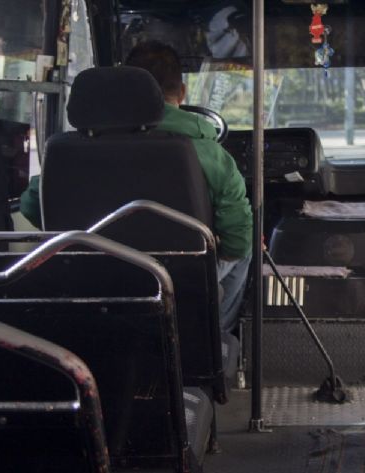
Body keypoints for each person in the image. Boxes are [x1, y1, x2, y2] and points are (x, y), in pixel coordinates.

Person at [21, 40, 253, 333]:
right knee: (247, 251)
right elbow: (238, 237)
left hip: (87, 276)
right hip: (177, 278)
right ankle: (214, 340)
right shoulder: (206, 152)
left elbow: (31, 205)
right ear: (181, 92)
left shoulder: (67, 152)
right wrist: (222, 246)